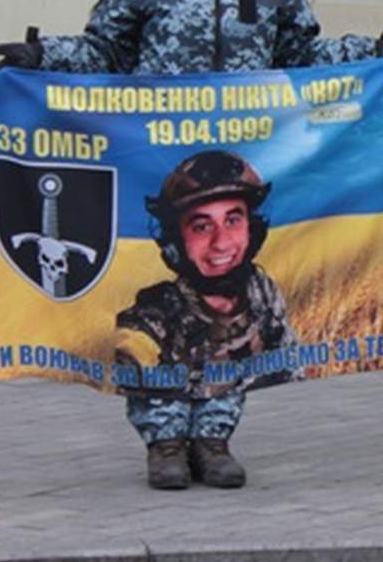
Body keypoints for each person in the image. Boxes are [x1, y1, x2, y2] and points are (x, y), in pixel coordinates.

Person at [0, 0, 383, 488]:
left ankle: (214, 435)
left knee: (233, 297)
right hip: (161, 155)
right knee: (156, 295)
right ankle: (162, 437)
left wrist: (372, 53)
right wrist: (43, 57)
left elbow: (300, 48)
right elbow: (107, 50)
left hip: (243, 153)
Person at [115, 152, 290, 490]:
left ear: (252, 228)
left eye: (233, 220)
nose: (221, 242)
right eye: (201, 226)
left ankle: (212, 443)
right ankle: (167, 447)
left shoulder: (262, 295)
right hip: (163, 409)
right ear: (176, 241)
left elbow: (287, 355)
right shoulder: (153, 315)